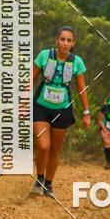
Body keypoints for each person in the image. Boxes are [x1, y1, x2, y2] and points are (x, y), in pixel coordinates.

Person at [31, 25, 90, 197]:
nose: (65, 43)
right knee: (43, 146)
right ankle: (39, 179)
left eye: (69, 40)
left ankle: (48, 184)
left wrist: (86, 112)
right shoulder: (44, 55)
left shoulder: (76, 62)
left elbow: (81, 88)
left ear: (73, 43)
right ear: (56, 40)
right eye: (62, 39)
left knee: (55, 149)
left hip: (62, 108)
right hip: (41, 106)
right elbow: (31, 79)